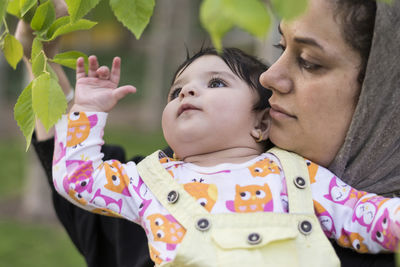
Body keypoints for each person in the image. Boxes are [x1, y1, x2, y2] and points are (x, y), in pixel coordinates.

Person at [19, 0, 399, 265]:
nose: (187, 91)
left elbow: (370, 216)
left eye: (216, 83)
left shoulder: (301, 180)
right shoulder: (148, 183)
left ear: (260, 122)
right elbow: (75, 179)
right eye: (175, 91)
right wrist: (70, 92)